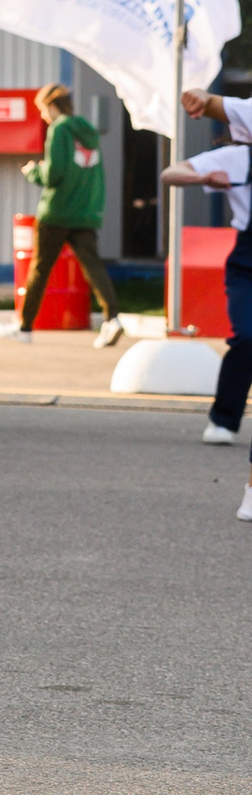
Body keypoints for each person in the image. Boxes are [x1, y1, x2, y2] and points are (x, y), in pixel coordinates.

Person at [158, 144, 252, 519]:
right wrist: (202, 177)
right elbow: (169, 174)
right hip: (247, 261)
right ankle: (224, 417)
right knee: (247, 336)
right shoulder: (238, 156)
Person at [0, 83, 122, 350]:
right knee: (93, 267)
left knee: (40, 269)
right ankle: (112, 319)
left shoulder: (59, 128)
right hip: (85, 211)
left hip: (57, 212)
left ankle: (25, 326)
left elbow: (54, 174)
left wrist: (33, 171)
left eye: (42, 109)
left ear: (52, 106)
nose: (43, 116)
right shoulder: (88, 130)